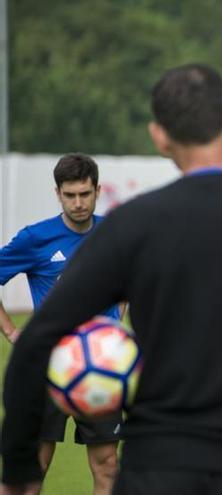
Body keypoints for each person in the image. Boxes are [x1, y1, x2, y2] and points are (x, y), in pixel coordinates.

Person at [1, 64, 222, 495]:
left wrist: (17, 472)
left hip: (155, 473)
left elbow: (35, 346)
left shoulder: (132, 225)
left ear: (159, 136)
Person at [0, 153, 123, 495]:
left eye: (85, 194)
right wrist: (11, 330)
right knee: (34, 466)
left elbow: (130, 281)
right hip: (47, 366)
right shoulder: (35, 239)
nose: (78, 203)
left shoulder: (115, 233)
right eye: (70, 195)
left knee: (108, 465)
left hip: (100, 369)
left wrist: (116, 322)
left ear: (97, 190)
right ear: (58, 194)